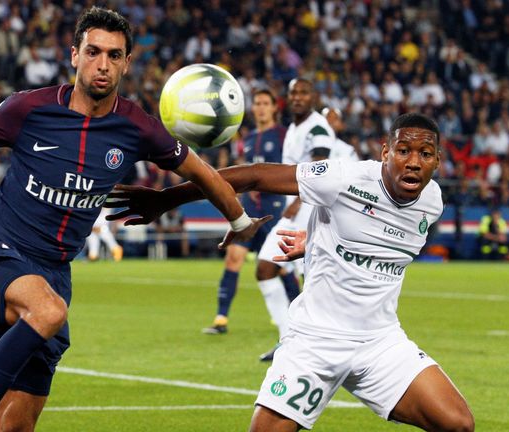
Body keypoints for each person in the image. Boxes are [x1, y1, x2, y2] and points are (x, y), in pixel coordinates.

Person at [0, 7, 266, 432]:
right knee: (47, 312)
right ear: (74, 55)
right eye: (94, 52)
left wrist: (241, 219)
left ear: (127, 63)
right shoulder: (31, 108)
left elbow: (202, 173)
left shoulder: (138, 128)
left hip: (53, 271)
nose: (103, 64)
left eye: (114, 56)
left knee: (18, 425)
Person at [107, 113, 475, 432]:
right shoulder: (344, 178)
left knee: (458, 423)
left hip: (379, 343)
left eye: (425, 154)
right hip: (315, 341)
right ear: (385, 153)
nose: (413, 162)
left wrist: (315, 241)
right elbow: (253, 175)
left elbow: (377, 244)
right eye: (403, 151)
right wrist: (166, 198)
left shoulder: (432, 201)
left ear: (438, 161)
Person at [252, 78, 335, 361]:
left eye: (304, 93)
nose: (298, 97)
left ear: (313, 97)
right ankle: (288, 338)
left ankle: (317, 343)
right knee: (265, 268)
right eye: (294, 93)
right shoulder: (293, 129)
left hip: (311, 213)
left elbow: (320, 170)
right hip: (294, 213)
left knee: (312, 281)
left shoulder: (317, 127)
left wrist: (299, 200)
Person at [202, 88, 289, 335]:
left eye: (265, 103)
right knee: (233, 258)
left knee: (280, 267)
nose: (260, 107)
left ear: (274, 108)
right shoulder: (247, 139)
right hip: (249, 211)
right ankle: (221, 318)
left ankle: (297, 318)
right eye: (257, 103)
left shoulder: (283, 136)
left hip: (276, 210)